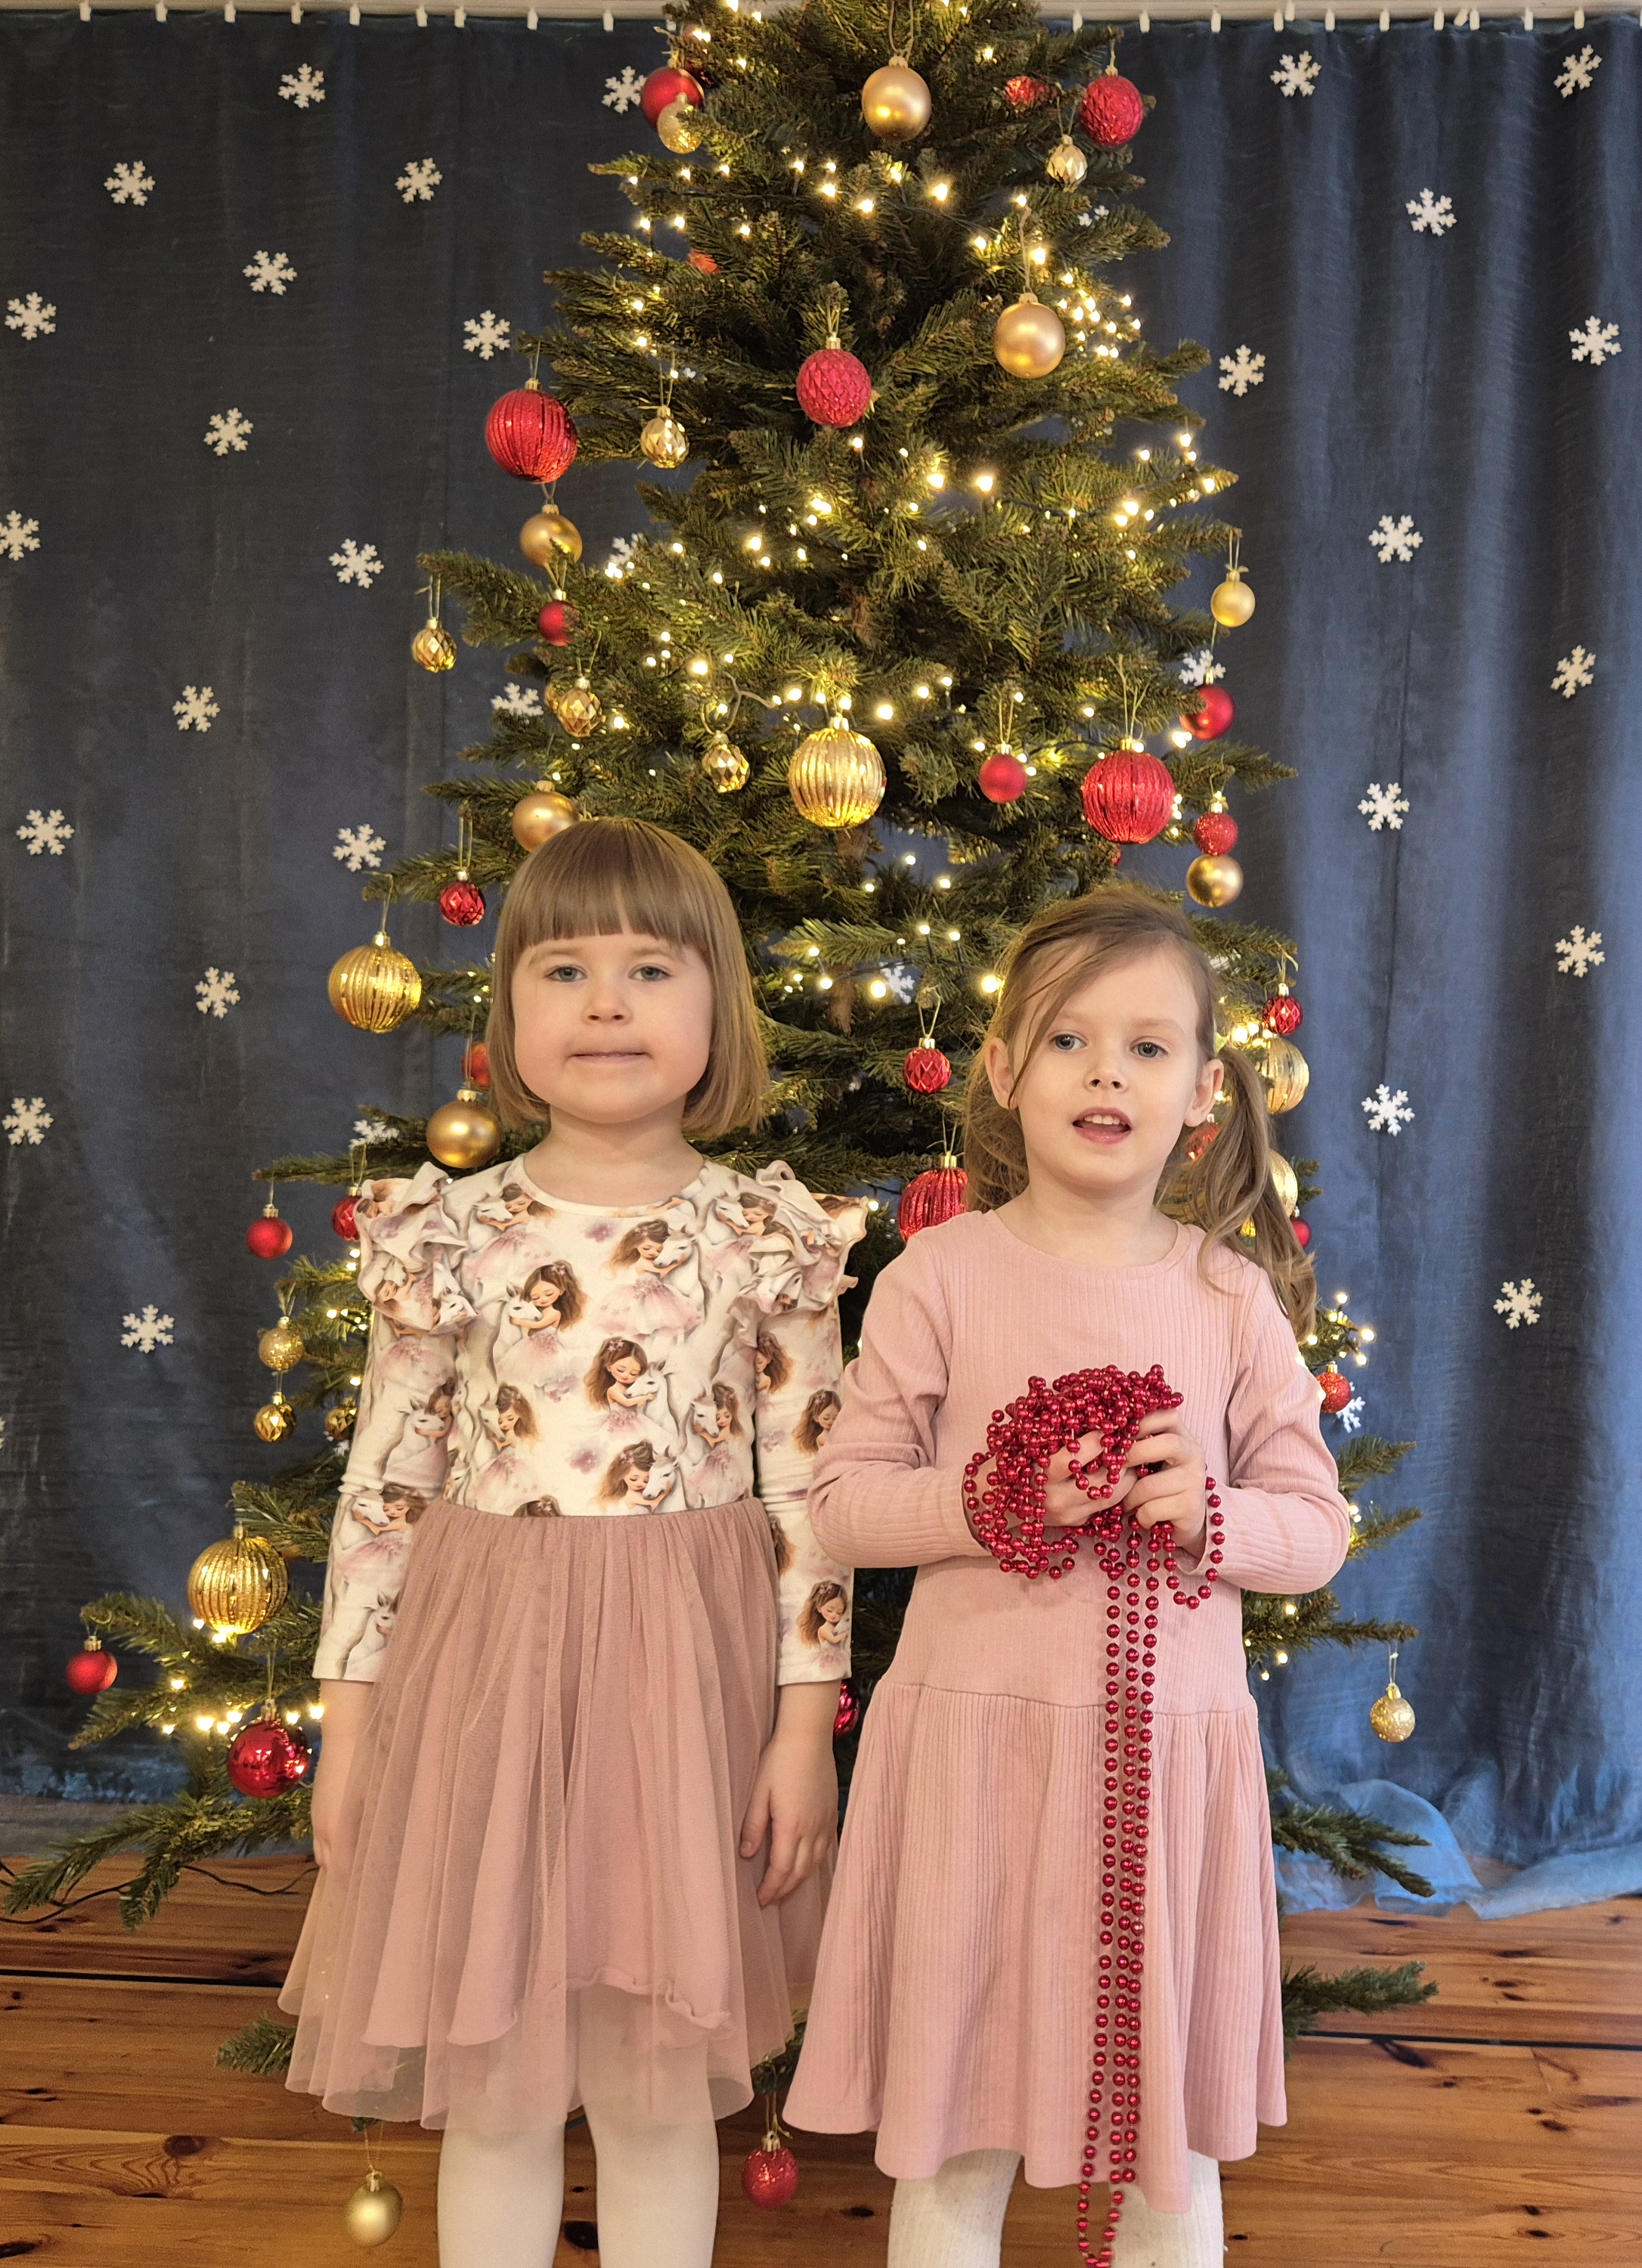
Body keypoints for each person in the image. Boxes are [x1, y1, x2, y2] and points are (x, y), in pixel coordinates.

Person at [280, 816, 851, 2268]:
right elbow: (385, 1489)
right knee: (499, 2078)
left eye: (650, 969)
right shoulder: (448, 1232)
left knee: (656, 2083)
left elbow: (811, 1497)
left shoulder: (763, 1235)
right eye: (564, 970)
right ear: (509, 1016)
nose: (606, 1003)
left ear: (716, 1008)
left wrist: (804, 1731)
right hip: (488, 1674)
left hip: (685, 1685)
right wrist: (349, 1727)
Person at [791, 885, 1352, 2266]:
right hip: (974, 1766)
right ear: (1002, 1069)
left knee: (1166, 2147)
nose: (1108, 1073)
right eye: (1069, 1041)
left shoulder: (1231, 1298)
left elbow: (1317, 1529)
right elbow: (843, 1505)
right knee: (955, 2122)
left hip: (1162, 1771)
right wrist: (992, 1501)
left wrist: (1208, 1516)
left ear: (1202, 1090)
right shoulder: (936, 1276)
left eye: (1147, 1047)